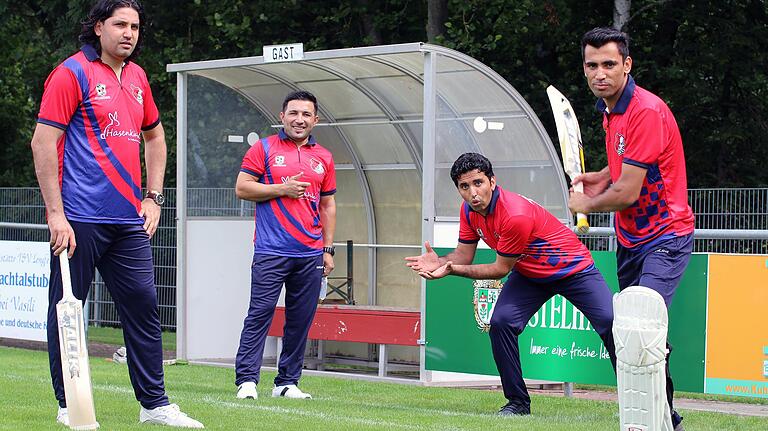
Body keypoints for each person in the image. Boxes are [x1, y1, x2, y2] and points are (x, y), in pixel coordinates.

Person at [30, 0, 203, 428]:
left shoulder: (139, 77)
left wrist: (155, 197)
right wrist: (56, 214)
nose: (129, 33)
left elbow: (157, 138)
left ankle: (155, 405)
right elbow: (41, 142)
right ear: (98, 27)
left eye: (135, 26)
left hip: (129, 221)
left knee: (144, 309)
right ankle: (70, 407)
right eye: (120, 24)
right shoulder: (71, 72)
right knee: (67, 311)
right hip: (79, 219)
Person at [405, 152, 616, 416]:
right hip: (529, 273)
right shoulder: (469, 211)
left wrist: (450, 270)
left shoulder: (514, 214)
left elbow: (498, 269)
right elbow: (462, 256)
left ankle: (643, 403)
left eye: (478, 183)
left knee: (612, 325)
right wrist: (440, 260)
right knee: (501, 323)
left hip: (574, 270)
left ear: (493, 181)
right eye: (464, 186)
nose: (473, 192)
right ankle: (518, 403)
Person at [569, 27, 695, 431]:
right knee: (632, 331)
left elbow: (627, 192)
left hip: (666, 235)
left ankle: (658, 420)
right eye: (592, 65)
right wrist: (599, 176)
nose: (600, 73)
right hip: (631, 239)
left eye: (609, 64)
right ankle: (663, 416)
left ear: (627, 64)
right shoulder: (610, 110)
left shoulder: (645, 110)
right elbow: (624, 168)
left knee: (642, 328)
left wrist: (586, 203)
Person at [234, 90, 336, 400]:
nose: (299, 119)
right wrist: (283, 188)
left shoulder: (325, 157)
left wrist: (327, 249)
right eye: (293, 113)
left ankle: (287, 383)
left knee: (300, 320)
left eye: (306, 114)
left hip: (310, 253)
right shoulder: (262, 149)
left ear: (315, 120)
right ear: (282, 116)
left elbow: (328, 206)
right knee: (260, 314)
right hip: (270, 250)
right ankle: (247, 380)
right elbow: (242, 188)